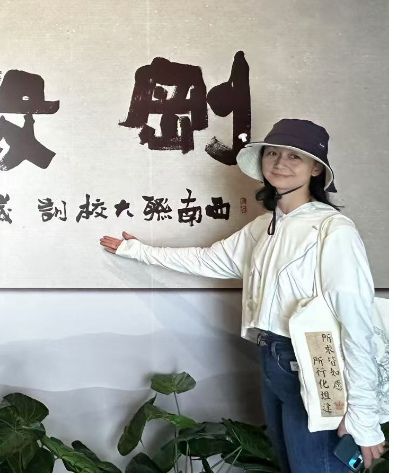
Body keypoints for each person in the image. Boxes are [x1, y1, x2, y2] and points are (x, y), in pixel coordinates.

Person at [100, 119, 385, 472]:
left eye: (294, 156)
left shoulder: (333, 230)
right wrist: (137, 250)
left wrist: (364, 417)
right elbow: (208, 260)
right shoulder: (265, 226)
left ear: (316, 169)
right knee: (291, 465)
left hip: (313, 361)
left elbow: (357, 324)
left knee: (317, 466)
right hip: (272, 359)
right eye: (272, 153)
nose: (280, 163)